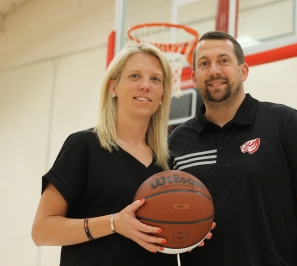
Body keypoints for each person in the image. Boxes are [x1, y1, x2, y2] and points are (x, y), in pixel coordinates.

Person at [31, 43, 210, 265]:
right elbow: (41, 230)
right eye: (135, 76)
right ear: (113, 86)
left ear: (163, 94)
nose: (146, 86)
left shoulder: (168, 162)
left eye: (155, 79)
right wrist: (114, 223)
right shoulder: (84, 146)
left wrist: (192, 229)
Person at [169, 30, 297, 265]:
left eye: (224, 60)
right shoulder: (177, 141)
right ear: (194, 78)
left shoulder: (284, 122)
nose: (214, 70)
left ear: (243, 71)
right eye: (204, 63)